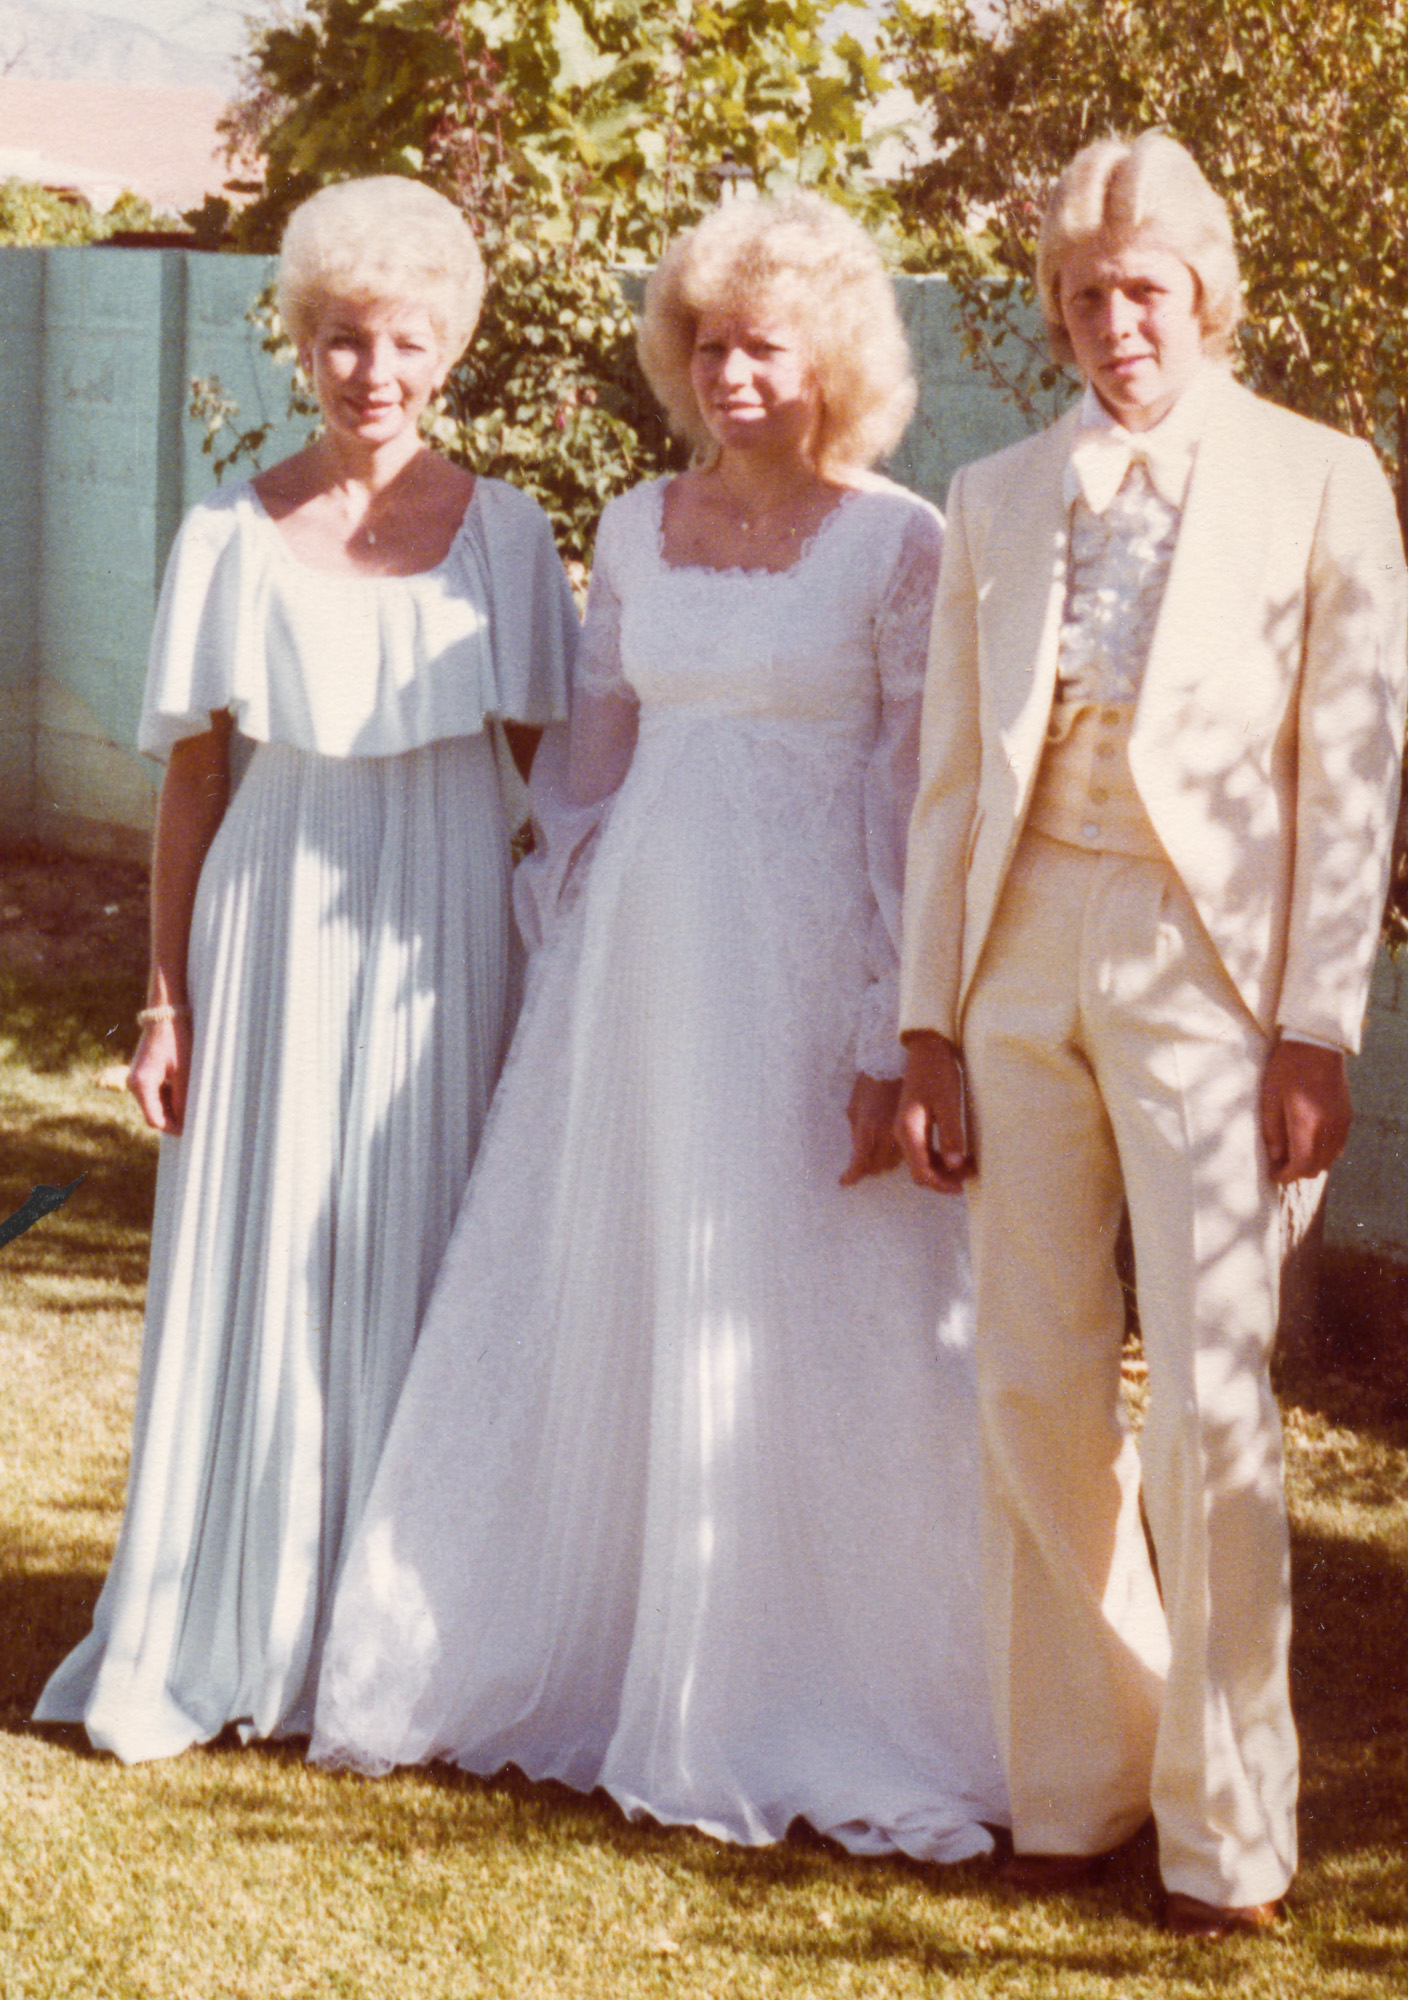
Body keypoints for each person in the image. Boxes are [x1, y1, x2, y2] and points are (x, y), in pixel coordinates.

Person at [309, 192, 1008, 1860]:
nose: (729, 374)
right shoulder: (631, 526)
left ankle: (801, 1677)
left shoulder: (899, 543)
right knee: (612, 1274)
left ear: (830, 360)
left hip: (807, 971)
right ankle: (581, 1642)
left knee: (800, 1298)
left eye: (762, 346)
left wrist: (889, 1028)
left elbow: (911, 799)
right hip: (637, 971)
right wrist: (564, 949)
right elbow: (589, 761)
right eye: (705, 344)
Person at [895, 132, 1408, 1935]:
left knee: (1205, 1400)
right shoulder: (995, 494)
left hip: (1208, 972)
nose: (1116, 323)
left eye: (1144, 290)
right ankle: (1078, 1773)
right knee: (1031, 1384)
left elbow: (1349, 772)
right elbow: (947, 776)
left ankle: (1228, 1831)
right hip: (1017, 953)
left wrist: (1313, 1026)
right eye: (1084, 295)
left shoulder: (1319, 478)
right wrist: (927, 1024)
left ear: (1206, 295)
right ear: (1054, 311)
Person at [34, 176, 577, 1763]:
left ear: (449, 349)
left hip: (443, 926)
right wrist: (164, 998)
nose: (373, 372)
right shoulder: (227, 531)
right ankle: (239, 1615)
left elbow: (559, 777)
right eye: (344, 338)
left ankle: (402, 1634)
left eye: (405, 341)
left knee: (429, 1237)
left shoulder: (508, 536)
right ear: (302, 344)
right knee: (268, 1251)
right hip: (271, 910)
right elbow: (193, 780)